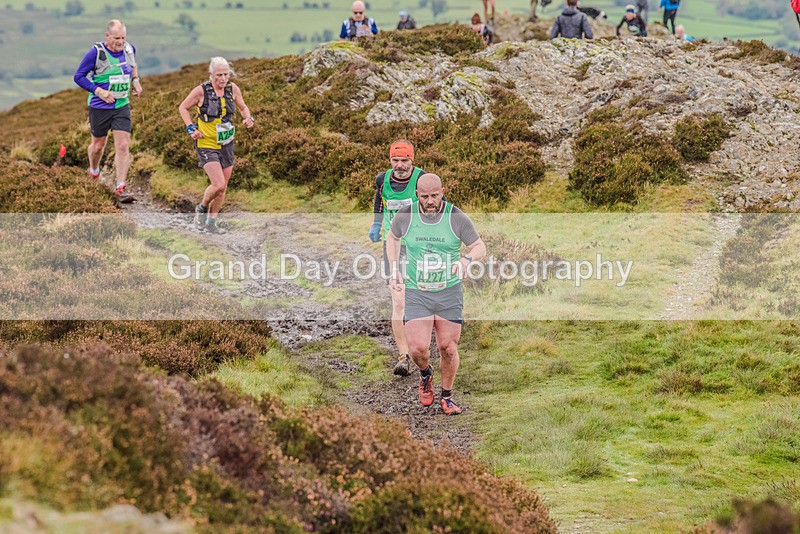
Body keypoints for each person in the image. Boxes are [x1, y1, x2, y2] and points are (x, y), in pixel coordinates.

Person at [386, 174, 486, 415]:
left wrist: (466, 259)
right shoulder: (406, 216)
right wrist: (394, 269)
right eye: (424, 197)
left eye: (434, 196)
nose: (430, 201)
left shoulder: (456, 217)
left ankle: (447, 396)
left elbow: (480, 246)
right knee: (418, 349)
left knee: (447, 348)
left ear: (442, 191)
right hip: (417, 292)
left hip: (449, 292)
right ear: (416, 195)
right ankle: (425, 374)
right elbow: (392, 237)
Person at [368, 141, 427, 377]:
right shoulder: (382, 180)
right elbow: (379, 200)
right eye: (395, 161)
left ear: (412, 160)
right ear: (390, 160)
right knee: (399, 301)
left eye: (405, 161)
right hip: (392, 246)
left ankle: (422, 344)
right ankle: (404, 355)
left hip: (421, 247)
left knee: (422, 296)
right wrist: (376, 223)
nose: (400, 165)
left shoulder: (422, 179)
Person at [178, 57, 255, 234]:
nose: (222, 79)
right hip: (206, 142)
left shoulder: (233, 89)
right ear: (211, 75)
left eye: (226, 74)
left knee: (223, 187)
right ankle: (202, 208)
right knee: (218, 184)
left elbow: (243, 107)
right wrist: (191, 128)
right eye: (219, 75)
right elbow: (182, 108)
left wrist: (247, 117)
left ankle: (211, 223)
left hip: (226, 143)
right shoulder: (201, 91)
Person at [73, 19, 142, 197]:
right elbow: (78, 76)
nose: (120, 42)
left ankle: (121, 187)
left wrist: (135, 81)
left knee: (123, 145)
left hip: (121, 105)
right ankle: (94, 171)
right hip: (99, 106)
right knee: (98, 146)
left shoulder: (129, 49)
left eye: (123, 38)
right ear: (107, 36)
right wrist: (99, 91)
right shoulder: (95, 53)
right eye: (116, 38)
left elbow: (133, 66)